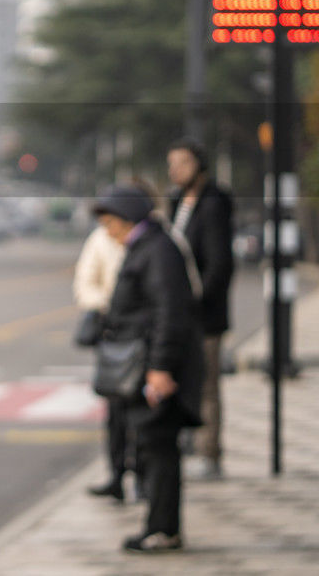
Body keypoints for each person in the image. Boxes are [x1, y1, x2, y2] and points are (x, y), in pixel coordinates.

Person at [93, 184, 204, 554]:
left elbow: (169, 314)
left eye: (110, 222)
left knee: (159, 450)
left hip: (154, 367)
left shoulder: (157, 251)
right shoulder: (148, 246)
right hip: (144, 363)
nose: (108, 231)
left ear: (127, 218)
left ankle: (163, 530)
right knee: (153, 448)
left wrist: (160, 368)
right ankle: (159, 527)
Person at [166, 138, 234, 480]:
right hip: (179, 311)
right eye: (172, 163)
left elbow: (220, 263)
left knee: (207, 384)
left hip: (204, 314)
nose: (175, 170)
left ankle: (210, 452)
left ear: (198, 164)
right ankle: (188, 442)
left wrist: (198, 299)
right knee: (181, 381)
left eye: (182, 163)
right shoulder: (176, 201)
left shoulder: (214, 202)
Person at [73, 223, 127, 500]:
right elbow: (84, 283)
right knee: (115, 411)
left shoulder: (153, 239)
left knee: (147, 416)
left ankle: (144, 476)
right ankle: (117, 474)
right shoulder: (101, 238)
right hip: (112, 333)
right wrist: (110, 304)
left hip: (145, 335)